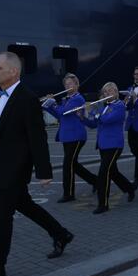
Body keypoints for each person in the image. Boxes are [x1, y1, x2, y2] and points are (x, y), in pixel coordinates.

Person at [0, 52, 73, 276]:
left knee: (2, 216)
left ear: (13, 72)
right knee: (25, 205)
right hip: (2, 167)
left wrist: (44, 171)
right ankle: (60, 234)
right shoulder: (0, 98)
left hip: (17, 169)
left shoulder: (27, 99)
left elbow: (37, 138)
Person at [80, 82, 136, 214]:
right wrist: (82, 117)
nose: (108, 93)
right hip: (103, 145)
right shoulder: (103, 106)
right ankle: (129, 188)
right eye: (105, 91)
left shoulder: (120, 106)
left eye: (111, 91)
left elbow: (106, 119)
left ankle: (103, 204)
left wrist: (93, 110)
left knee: (103, 174)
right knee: (113, 172)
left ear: (116, 93)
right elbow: (93, 124)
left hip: (114, 145)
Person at [41, 73, 97, 202]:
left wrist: (53, 103)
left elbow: (63, 111)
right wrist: (47, 105)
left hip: (76, 136)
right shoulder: (67, 99)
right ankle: (96, 181)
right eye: (66, 84)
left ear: (76, 85)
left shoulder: (78, 99)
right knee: (74, 165)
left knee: (68, 165)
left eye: (70, 84)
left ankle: (69, 194)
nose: (68, 86)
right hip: (67, 135)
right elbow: (60, 116)